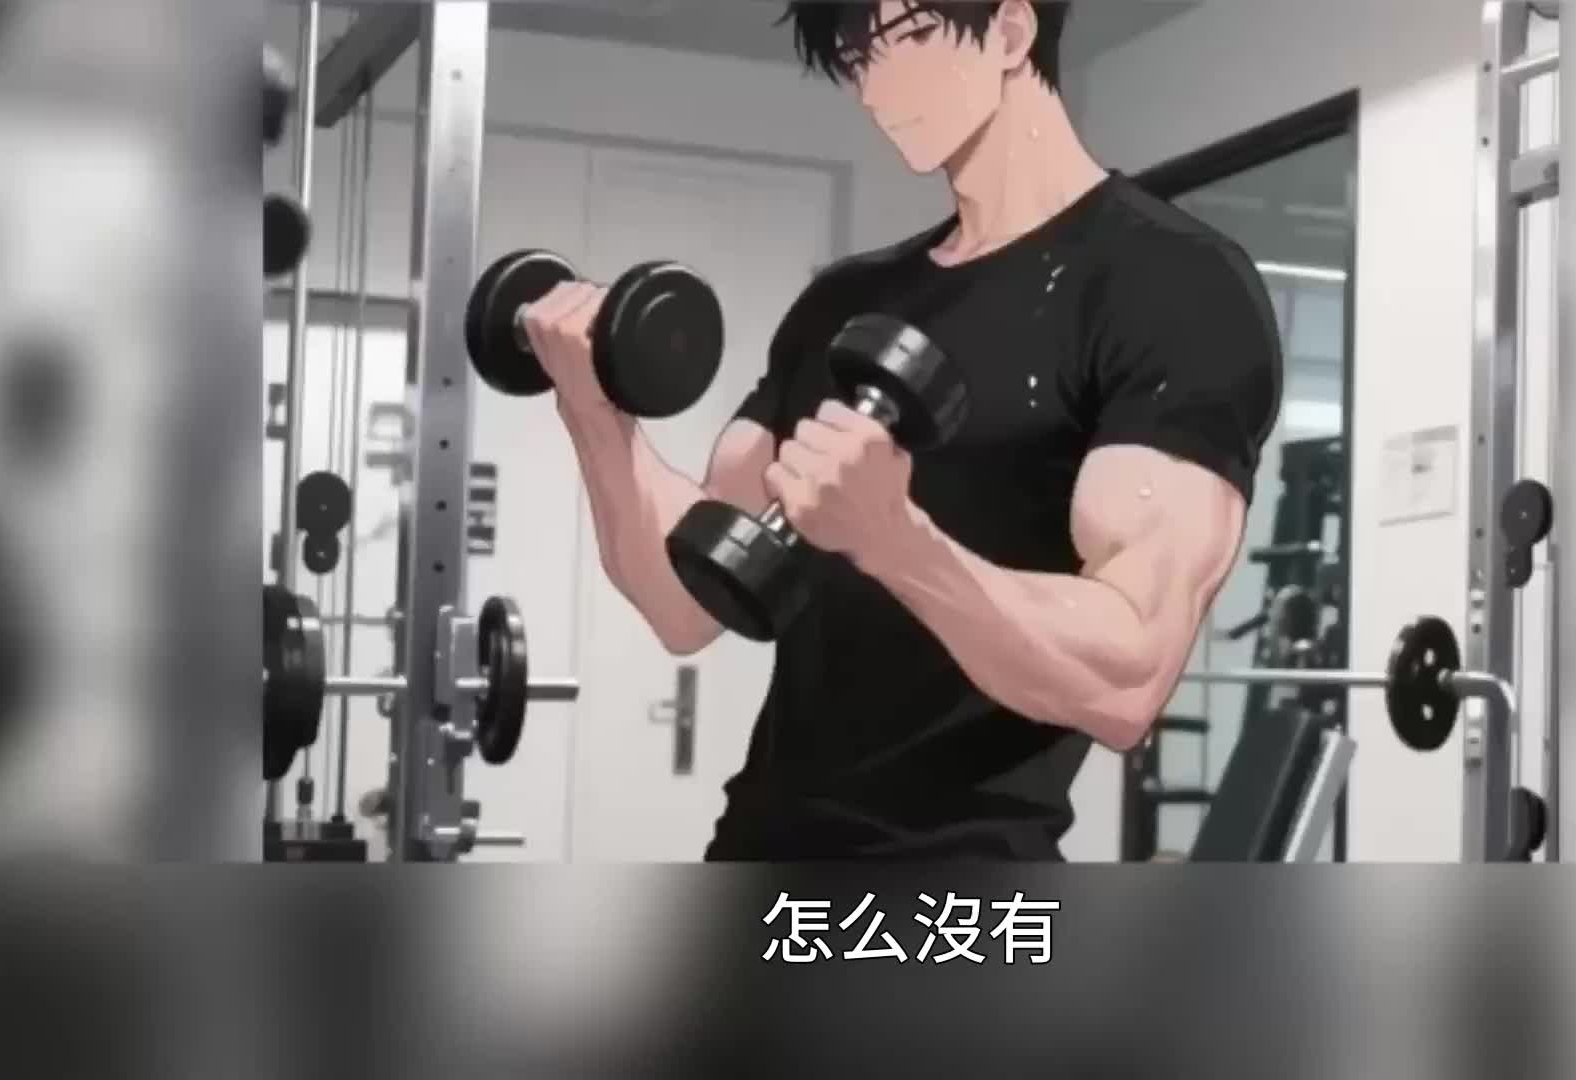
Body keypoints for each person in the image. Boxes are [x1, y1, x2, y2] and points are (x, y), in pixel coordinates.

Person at [519, 0, 1282, 860]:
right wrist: (595, 413)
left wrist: (896, 541)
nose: (877, 89)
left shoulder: (1171, 285)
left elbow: (1129, 675)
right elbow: (688, 603)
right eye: (857, 59)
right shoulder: (845, 303)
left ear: (1010, 30)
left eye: (910, 37)